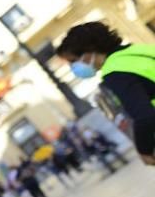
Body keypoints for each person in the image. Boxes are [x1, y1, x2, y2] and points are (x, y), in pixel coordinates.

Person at [56, 21, 155, 165]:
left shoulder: (114, 71)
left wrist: (144, 150)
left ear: (89, 52)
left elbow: (145, 116)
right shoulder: (139, 51)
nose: (73, 67)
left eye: (73, 61)